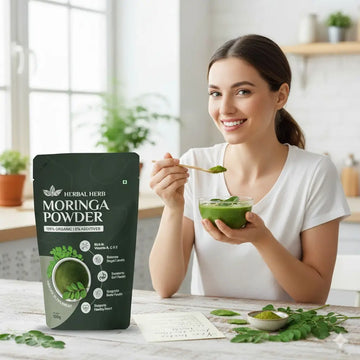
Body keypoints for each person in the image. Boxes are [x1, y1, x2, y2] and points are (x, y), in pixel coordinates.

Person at [149, 34, 350, 303]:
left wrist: (263, 240)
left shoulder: (314, 173)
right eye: (215, 94)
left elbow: (314, 296)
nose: (225, 108)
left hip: (284, 336)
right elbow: (164, 286)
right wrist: (173, 207)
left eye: (242, 91)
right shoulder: (197, 166)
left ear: (280, 96)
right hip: (212, 333)